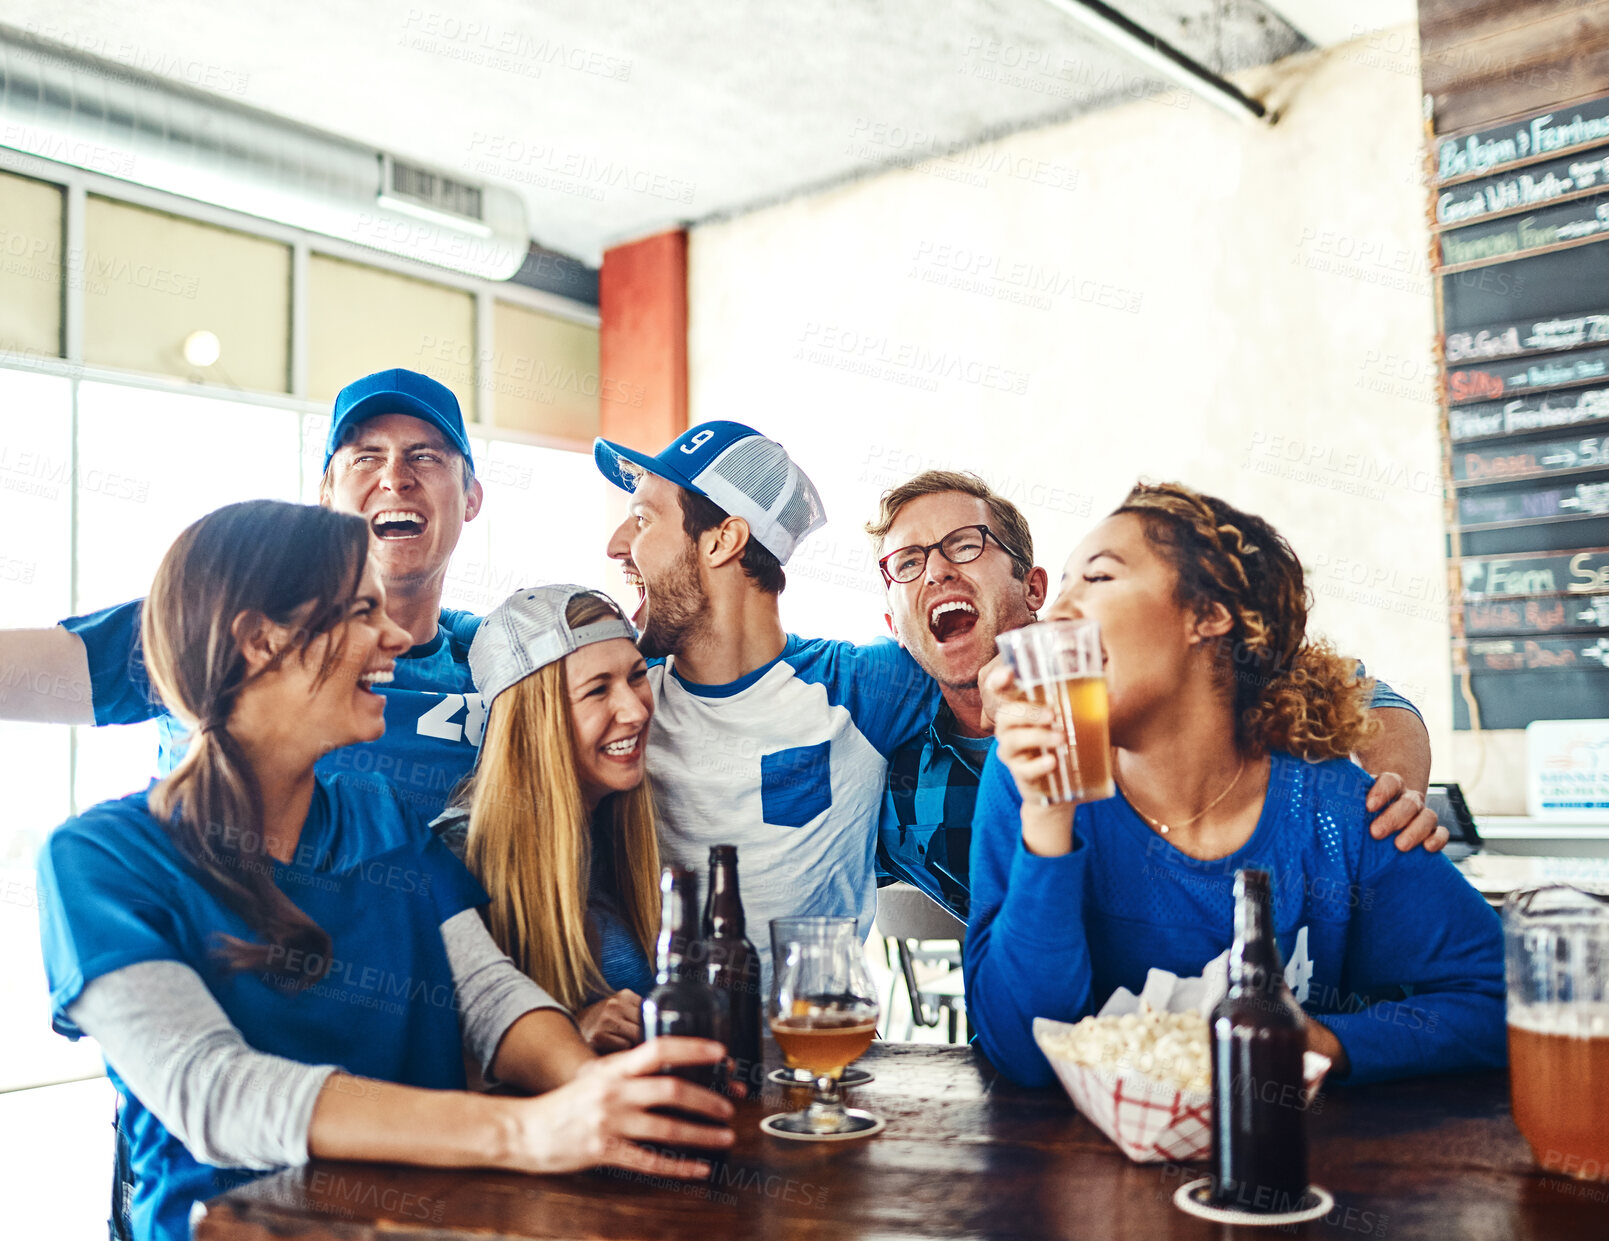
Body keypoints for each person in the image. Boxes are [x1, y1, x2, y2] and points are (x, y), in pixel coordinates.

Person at [35, 501, 732, 1241]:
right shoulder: (98, 861)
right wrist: (525, 1129)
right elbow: (212, 1092)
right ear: (261, 640)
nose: (396, 636)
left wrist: (594, 1089)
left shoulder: (379, 816)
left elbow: (490, 995)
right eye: (363, 610)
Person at [964, 482, 1506, 1088]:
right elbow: (1022, 1051)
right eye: (1061, 585)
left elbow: (1500, 998)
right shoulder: (1026, 779)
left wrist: (1329, 1042)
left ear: (1208, 613)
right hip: (1073, 1174)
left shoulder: (1334, 812)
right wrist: (1047, 824)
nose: (1056, 613)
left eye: (1097, 579)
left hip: (1287, 1162)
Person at [867, 470, 1447, 922]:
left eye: (964, 545)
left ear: (1034, 586)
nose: (936, 571)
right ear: (894, 626)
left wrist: (1389, 807)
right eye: (908, 563)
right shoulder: (891, 774)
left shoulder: (1130, 679)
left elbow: (1363, 696)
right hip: (1059, 1028)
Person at [2, 369, 488, 819]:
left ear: (471, 497)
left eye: (425, 455)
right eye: (366, 457)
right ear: (325, 498)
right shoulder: (223, 626)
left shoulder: (502, 673)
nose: (395, 477)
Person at [595, 421, 938, 982]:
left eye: (642, 520)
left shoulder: (863, 688)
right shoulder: (625, 698)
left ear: (723, 541)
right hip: (662, 1044)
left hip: (813, 1046)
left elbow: (991, 670)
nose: (616, 547)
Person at [432, 585, 660, 1053]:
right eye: (598, 690)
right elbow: (420, 1072)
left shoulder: (614, 831)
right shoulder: (457, 858)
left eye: (637, 677)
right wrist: (567, 1039)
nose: (636, 710)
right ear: (535, 718)